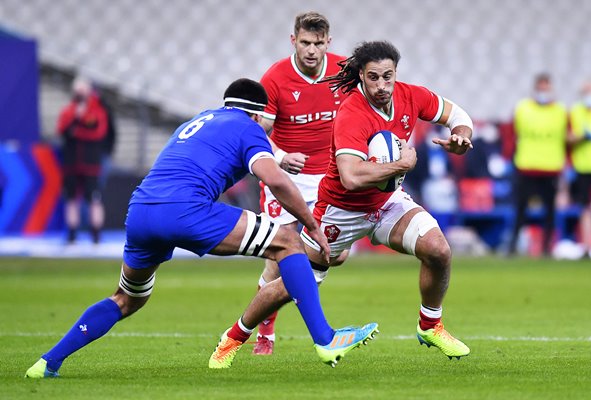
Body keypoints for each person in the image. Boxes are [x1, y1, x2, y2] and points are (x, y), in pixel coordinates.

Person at [24, 78, 378, 378]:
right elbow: (277, 181)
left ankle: (48, 362)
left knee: (127, 299)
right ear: (257, 113)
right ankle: (325, 338)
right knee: (288, 241)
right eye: (267, 117)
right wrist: (311, 225)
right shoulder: (248, 127)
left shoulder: (197, 121)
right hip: (186, 208)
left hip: (142, 210)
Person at [216, 41, 473, 364]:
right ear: (362, 77)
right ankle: (234, 337)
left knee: (438, 249)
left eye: (388, 76)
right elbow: (351, 177)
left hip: (387, 202)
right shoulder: (352, 113)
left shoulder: (411, 95)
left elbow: (456, 114)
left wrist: (462, 134)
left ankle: (430, 325)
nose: (382, 85)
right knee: (291, 283)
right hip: (341, 212)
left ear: (396, 73)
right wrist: (401, 165)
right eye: (374, 77)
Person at [252, 11, 350, 355]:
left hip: (330, 177)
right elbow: (258, 131)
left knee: (336, 254)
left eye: (318, 44)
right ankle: (265, 328)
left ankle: (289, 289)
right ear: (293, 40)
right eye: (305, 43)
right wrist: (279, 157)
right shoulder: (276, 78)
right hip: (287, 179)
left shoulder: (344, 72)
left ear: (328, 43)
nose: (311, 50)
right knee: (280, 252)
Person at [508, 73, 568, 257]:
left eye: (546, 88)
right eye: (540, 88)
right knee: (520, 209)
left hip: (550, 168)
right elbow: (513, 136)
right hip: (526, 166)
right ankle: (513, 246)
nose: (543, 92)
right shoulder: (523, 108)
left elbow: (566, 139)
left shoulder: (560, 111)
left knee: (550, 211)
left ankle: (546, 248)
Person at [57, 76, 108, 244]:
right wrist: (77, 121)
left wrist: (77, 132)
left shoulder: (97, 111)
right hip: (71, 163)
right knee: (71, 199)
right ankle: (72, 234)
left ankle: (96, 235)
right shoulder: (68, 111)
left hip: (90, 164)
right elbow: (62, 130)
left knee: (94, 198)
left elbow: (98, 133)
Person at [568, 81, 591, 259]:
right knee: (585, 208)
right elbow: (568, 138)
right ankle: (588, 247)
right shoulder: (576, 112)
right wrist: (582, 136)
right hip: (583, 166)